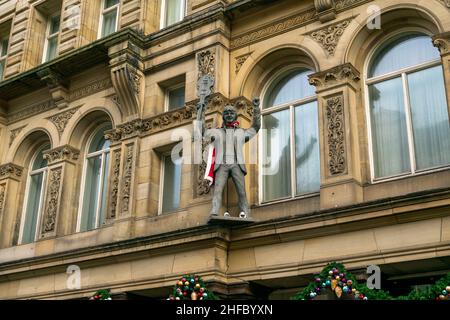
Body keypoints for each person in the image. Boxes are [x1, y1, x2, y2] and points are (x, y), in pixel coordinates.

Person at [196, 98, 261, 218]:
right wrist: (201, 111)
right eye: (226, 113)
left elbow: (255, 127)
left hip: (237, 164)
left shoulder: (241, 132)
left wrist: (256, 108)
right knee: (218, 190)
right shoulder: (216, 132)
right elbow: (202, 130)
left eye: (231, 113)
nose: (229, 115)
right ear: (223, 116)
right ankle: (214, 211)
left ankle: (245, 212)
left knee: (242, 191)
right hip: (222, 164)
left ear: (236, 116)